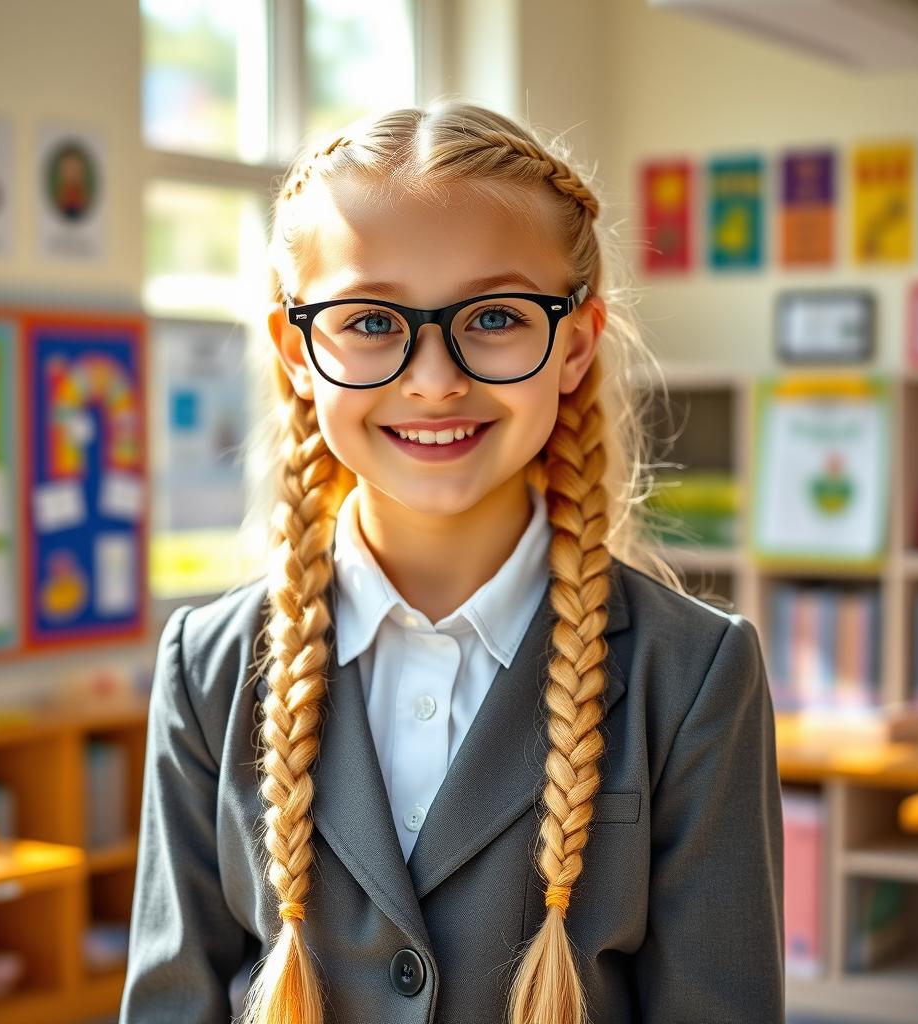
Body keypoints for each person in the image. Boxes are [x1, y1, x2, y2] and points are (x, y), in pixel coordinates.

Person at [119, 99, 784, 1024]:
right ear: (297, 350)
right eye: (369, 322)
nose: (434, 377)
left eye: (498, 316)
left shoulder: (694, 672)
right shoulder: (208, 665)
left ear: (575, 345)